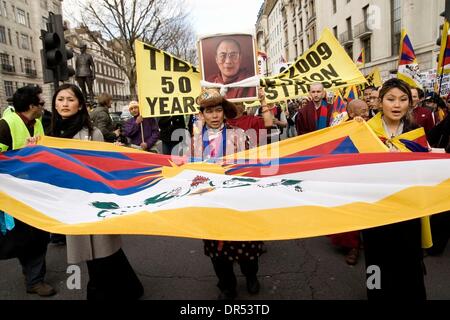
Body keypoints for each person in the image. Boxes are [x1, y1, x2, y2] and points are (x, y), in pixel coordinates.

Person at [50, 84, 143, 300]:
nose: (64, 104)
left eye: (70, 99)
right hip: (70, 204)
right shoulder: (48, 136)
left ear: (80, 104)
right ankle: (131, 287)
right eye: (60, 99)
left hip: (94, 201)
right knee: (97, 251)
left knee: (101, 249)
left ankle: (98, 292)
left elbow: (103, 169)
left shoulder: (93, 134)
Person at [193, 88, 264, 300]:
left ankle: (251, 276)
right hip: (210, 200)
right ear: (202, 114)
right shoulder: (195, 140)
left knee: (246, 244)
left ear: (224, 112)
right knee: (217, 249)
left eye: (218, 110)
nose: (214, 116)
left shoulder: (239, 135)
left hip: (237, 198)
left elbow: (251, 165)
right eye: (209, 111)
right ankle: (227, 285)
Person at [363, 78, 427, 300]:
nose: (397, 105)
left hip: (407, 208)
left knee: (410, 260)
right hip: (375, 209)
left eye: (403, 99)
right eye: (391, 99)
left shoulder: (416, 132)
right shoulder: (364, 132)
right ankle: (376, 295)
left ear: (410, 103)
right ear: (380, 103)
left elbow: (425, 171)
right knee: (375, 261)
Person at [0, 85, 56, 297]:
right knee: (23, 237)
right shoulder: (6, 125)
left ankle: (34, 278)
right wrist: (24, 155)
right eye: (41, 103)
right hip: (14, 194)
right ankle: (33, 276)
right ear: (31, 105)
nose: (44, 107)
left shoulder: (39, 123)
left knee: (39, 234)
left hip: (37, 190)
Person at [328, 99, 369, 265]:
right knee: (351, 211)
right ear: (351, 114)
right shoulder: (341, 128)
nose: (366, 114)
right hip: (348, 176)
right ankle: (354, 246)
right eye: (362, 111)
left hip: (368, 176)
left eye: (367, 110)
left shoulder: (372, 126)